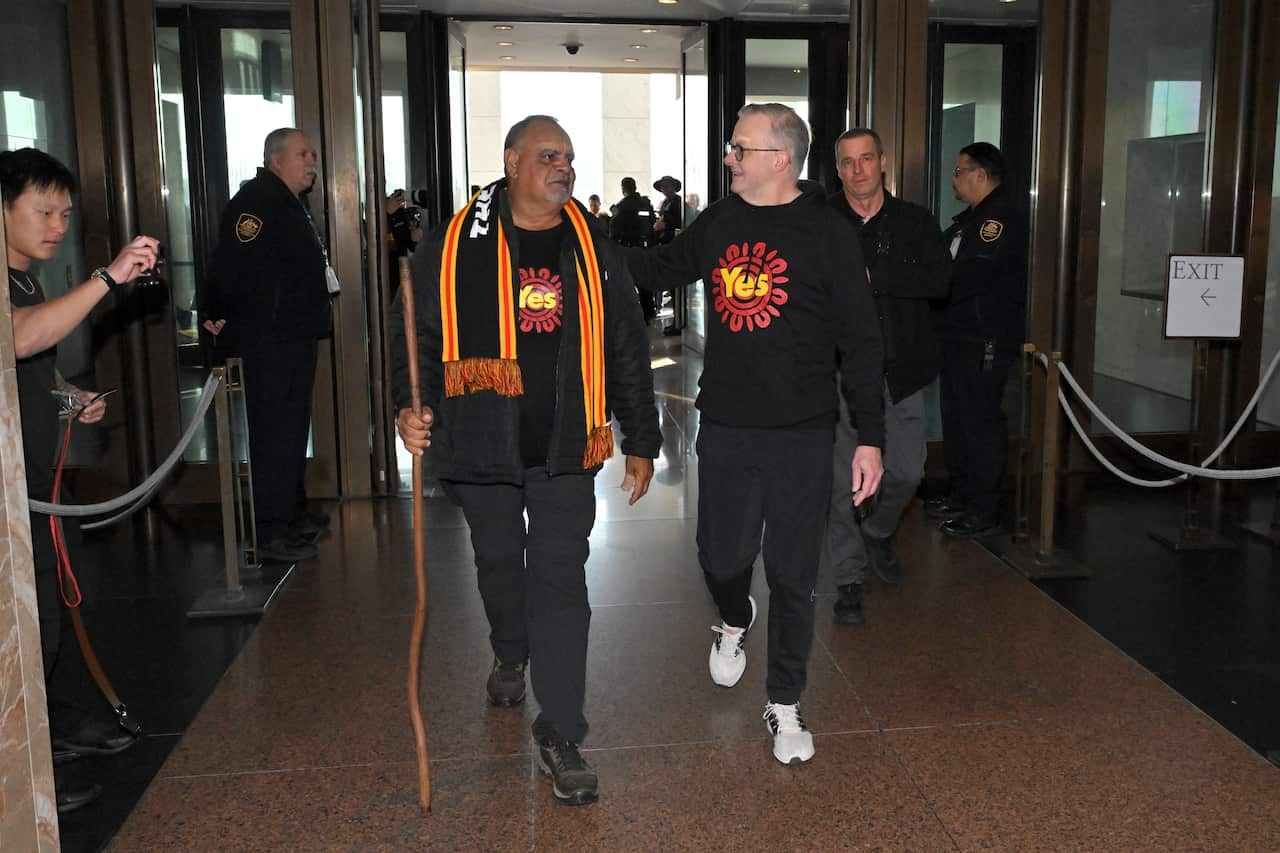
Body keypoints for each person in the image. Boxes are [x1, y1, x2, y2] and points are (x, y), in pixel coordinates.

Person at [391, 115, 661, 806]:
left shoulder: (593, 245)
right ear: (511, 161)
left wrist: (641, 437)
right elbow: (418, 332)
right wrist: (409, 405)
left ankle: (562, 730)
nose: (563, 167)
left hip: (568, 445)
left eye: (568, 157)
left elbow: (627, 342)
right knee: (498, 562)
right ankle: (510, 650)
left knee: (562, 578)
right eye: (548, 155)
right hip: (481, 441)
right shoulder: (452, 246)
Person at [622, 103, 885, 765]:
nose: (729, 158)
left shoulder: (828, 233)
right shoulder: (720, 220)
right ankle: (735, 616)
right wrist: (575, 244)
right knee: (720, 557)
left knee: (795, 573)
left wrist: (871, 437)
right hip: (731, 426)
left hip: (802, 432)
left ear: (779, 158)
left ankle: (786, 699)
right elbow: (658, 268)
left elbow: (859, 341)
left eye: (740, 148)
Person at [3, 147, 159, 812]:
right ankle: (24, 774)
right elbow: (15, 339)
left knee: (49, 614)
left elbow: (32, 365)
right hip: (12, 493)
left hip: (34, 485)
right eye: (43, 210)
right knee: (22, 629)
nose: (56, 225)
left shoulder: (28, 280)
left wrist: (70, 396)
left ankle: (53, 737)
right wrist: (107, 277)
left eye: (64, 213)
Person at [825, 128, 951, 625]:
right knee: (842, 480)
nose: (858, 170)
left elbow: (940, 281)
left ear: (883, 163)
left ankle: (876, 533)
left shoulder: (915, 222)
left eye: (867, 159)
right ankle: (849, 578)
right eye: (848, 162)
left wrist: (878, 278)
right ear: (838, 169)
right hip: (839, 373)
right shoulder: (823, 221)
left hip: (901, 371)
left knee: (907, 471)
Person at [204, 128, 334, 563]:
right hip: (270, 339)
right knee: (273, 433)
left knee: (293, 429)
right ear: (276, 159)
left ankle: (291, 514)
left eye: (312, 153)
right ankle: (271, 531)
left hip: (292, 335)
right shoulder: (256, 204)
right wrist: (219, 315)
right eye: (303, 153)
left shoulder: (288, 202)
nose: (312, 160)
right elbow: (232, 269)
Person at [928, 142, 1027, 538]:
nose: (954, 179)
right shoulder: (969, 220)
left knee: (979, 420)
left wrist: (930, 290)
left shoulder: (997, 220)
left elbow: (970, 276)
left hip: (983, 337)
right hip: (958, 336)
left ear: (980, 176)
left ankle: (983, 507)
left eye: (958, 171)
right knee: (957, 417)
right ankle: (962, 494)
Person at [609, 177, 657, 322]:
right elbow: (652, 224)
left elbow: (614, 232)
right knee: (645, 281)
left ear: (623, 189)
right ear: (635, 187)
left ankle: (632, 315)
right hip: (646, 248)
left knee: (626, 283)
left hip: (628, 249)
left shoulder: (621, 207)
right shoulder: (645, 204)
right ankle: (649, 311)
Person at [652, 175, 682, 245]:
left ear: (673, 187)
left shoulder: (678, 201)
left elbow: (680, 221)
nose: (664, 189)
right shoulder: (665, 202)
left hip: (672, 240)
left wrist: (665, 225)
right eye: (662, 187)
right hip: (663, 239)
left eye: (667, 186)